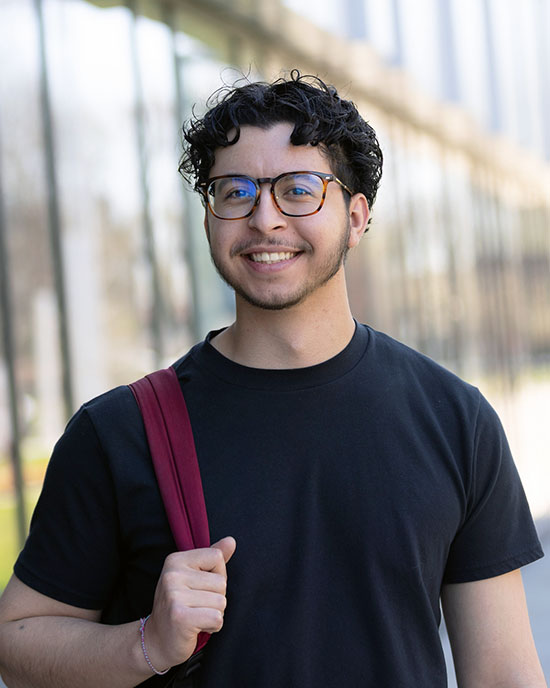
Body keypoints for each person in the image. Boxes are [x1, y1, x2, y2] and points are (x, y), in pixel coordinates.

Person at [0, 70, 546, 688]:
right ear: (209, 219)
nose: (265, 219)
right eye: (234, 191)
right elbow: (16, 640)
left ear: (357, 216)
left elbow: (503, 674)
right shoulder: (119, 433)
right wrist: (144, 643)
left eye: (299, 189)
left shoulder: (455, 421)